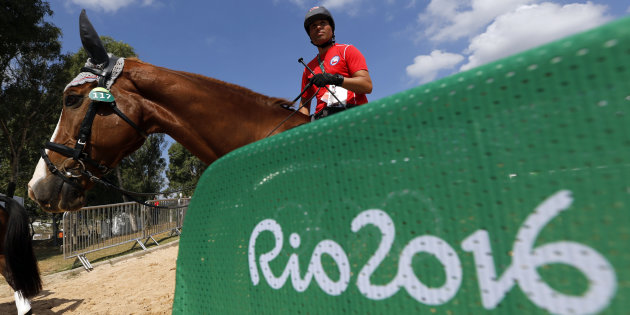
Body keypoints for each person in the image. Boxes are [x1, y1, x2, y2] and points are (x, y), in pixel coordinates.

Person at [299, 6, 372, 120]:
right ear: (310, 35)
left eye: (322, 23)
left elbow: (367, 86)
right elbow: (304, 105)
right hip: (322, 121)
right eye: (313, 26)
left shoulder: (347, 50)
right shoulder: (308, 68)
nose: (318, 27)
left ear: (331, 29)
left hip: (353, 114)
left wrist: (335, 79)